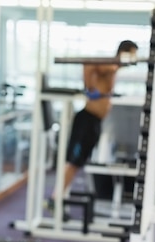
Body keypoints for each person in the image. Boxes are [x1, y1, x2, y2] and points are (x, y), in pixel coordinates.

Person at [46, 40, 138, 212]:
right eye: (132, 55)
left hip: (94, 122)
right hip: (87, 120)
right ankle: (54, 199)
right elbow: (88, 63)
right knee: (73, 162)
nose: (134, 60)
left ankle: (59, 199)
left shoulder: (114, 69)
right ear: (124, 53)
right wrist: (89, 87)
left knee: (77, 163)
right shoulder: (110, 66)